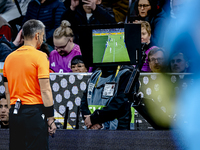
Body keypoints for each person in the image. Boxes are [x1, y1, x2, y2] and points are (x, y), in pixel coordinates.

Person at [3, 19, 56, 150]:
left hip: (15, 114)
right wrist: (50, 117)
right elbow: (46, 90)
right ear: (37, 35)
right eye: (43, 36)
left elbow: (7, 91)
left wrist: (11, 112)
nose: (43, 39)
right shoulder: (40, 57)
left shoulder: (9, 58)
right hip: (34, 114)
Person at [80, 65, 139, 130]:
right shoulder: (95, 75)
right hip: (92, 127)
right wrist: (89, 121)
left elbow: (120, 103)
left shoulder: (127, 74)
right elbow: (84, 101)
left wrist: (94, 119)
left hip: (119, 129)